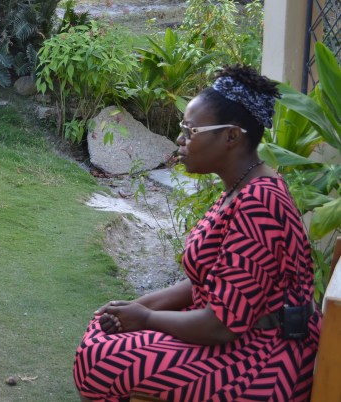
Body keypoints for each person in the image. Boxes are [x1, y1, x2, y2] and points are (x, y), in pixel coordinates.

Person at [73, 65, 322, 401]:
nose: (181, 139)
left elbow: (221, 326)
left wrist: (146, 317)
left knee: (100, 359)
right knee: (102, 333)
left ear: (231, 136)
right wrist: (136, 306)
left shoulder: (259, 202)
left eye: (190, 131)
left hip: (263, 360)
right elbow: (204, 281)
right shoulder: (239, 188)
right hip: (234, 338)